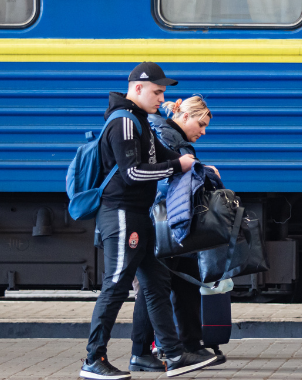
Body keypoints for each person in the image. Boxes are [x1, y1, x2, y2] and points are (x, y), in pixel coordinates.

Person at [80, 62, 219, 380]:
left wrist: (199, 168)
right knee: (115, 286)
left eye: (163, 92)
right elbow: (133, 172)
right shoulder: (124, 123)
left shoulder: (140, 122)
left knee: (157, 284)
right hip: (121, 214)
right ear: (137, 89)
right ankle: (93, 358)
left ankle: (172, 354)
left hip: (138, 216)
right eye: (157, 92)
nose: (162, 98)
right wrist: (178, 167)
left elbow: (171, 158)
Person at [128, 96, 222, 373]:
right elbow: (164, 182)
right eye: (201, 124)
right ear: (184, 116)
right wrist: (200, 171)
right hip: (163, 224)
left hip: (174, 223)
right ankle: (141, 352)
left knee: (185, 283)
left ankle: (190, 344)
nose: (203, 131)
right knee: (153, 289)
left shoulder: (173, 137)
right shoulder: (165, 137)